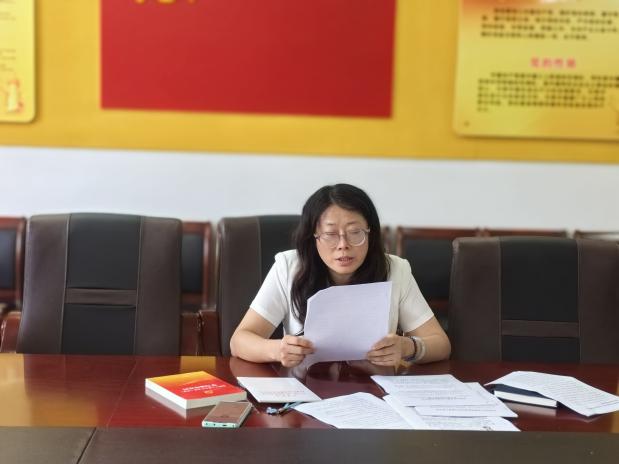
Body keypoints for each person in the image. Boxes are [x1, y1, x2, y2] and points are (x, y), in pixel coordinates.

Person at [230, 184, 451, 367]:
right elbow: (239, 340)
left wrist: (408, 347)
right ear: (313, 237)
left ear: (370, 233)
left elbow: (441, 344)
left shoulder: (395, 269)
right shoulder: (289, 267)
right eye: (330, 234)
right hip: (305, 393)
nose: (343, 245)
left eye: (355, 233)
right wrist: (277, 349)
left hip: (376, 392)